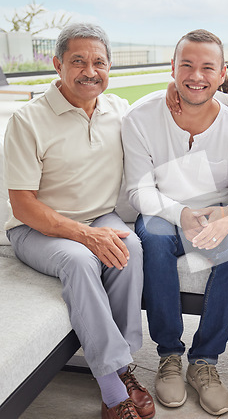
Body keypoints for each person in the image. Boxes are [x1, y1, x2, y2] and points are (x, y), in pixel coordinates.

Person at [3, 23, 154, 419]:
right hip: (36, 228)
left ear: (109, 67)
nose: (90, 71)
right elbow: (22, 206)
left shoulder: (118, 110)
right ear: (57, 65)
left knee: (132, 247)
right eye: (78, 61)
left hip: (98, 215)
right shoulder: (27, 121)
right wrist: (85, 236)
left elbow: (166, 108)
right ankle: (110, 385)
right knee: (80, 260)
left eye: (99, 62)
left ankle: (123, 365)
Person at [121, 29, 228, 416]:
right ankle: (169, 355)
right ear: (173, 67)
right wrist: (179, 212)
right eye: (187, 65)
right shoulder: (141, 117)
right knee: (155, 235)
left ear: (222, 76)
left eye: (207, 68)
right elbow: (138, 190)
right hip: (165, 214)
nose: (196, 76)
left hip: (216, 217)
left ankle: (205, 362)